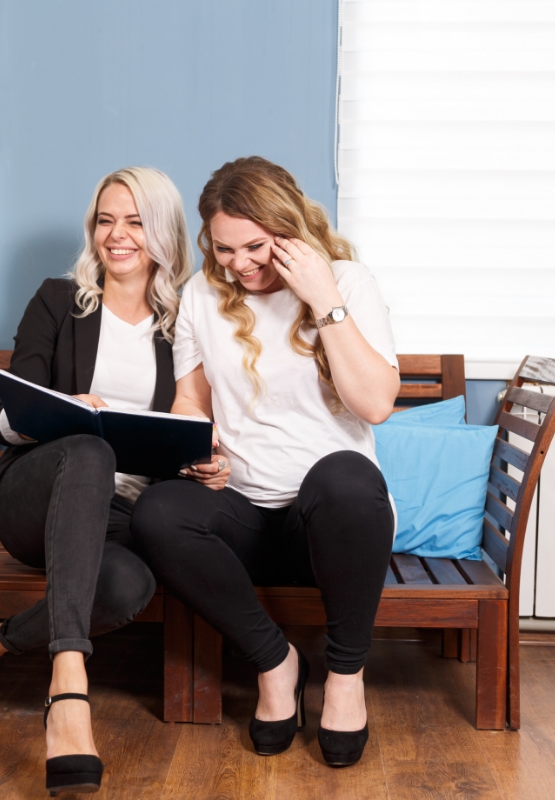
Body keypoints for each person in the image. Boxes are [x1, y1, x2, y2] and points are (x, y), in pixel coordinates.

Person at [0, 166, 193, 795]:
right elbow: (9, 416)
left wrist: (201, 455)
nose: (117, 236)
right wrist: (65, 407)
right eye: (106, 220)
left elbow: (197, 418)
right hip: (35, 497)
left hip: (123, 515)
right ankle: (69, 689)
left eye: (135, 222)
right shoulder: (57, 298)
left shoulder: (187, 318)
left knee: (127, 586)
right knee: (91, 451)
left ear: (164, 232)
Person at [131, 156, 399, 767]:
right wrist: (199, 450)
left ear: (291, 229)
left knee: (348, 475)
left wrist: (323, 297)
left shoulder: (347, 282)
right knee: (158, 509)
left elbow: (376, 404)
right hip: (244, 518)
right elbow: (190, 401)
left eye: (255, 246)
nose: (240, 264)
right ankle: (275, 663)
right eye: (224, 249)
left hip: (332, 528)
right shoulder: (201, 294)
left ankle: (344, 677)